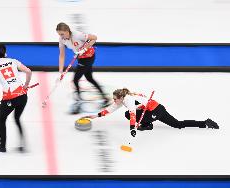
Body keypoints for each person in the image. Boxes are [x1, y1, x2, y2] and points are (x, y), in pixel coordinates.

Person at [83, 88, 219, 137]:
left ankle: (204, 123)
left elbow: (131, 115)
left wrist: (132, 129)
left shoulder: (129, 100)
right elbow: (109, 110)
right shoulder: (121, 101)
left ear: (121, 98)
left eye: (115, 99)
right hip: (150, 109)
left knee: (178, 124)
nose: (114, 101)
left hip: (156, 110)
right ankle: (148, 124)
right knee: (126, 114)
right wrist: (94, 116)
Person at [0, 43, 32, 152]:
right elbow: (28, 71)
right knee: (17, 118)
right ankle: (23, 145)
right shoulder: (13, 61)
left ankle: (2, 146)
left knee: (2, 120)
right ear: (5, 53)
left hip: (10, 98)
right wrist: (26, 85)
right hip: (23, 96)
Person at [56, 22, 110, 114]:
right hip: (81, 58)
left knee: (76, 79)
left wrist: (84, 49)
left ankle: (79, 102)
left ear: (67, 31)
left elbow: (94, 38)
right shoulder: (62, 39)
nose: (61, 36)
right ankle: (105, 98)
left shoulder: (77, 35)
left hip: (88, 57)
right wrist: (61, 72)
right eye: (59, 34)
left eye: (62, 34)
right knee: (89, 78)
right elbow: (61, 55)